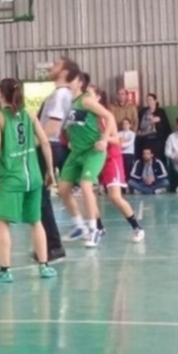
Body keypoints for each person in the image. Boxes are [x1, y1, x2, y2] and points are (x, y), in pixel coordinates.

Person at [0, 78, 57, 283]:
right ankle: (44, 266)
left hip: (12, 178)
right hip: (34, 177)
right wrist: (50, 171)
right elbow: (45, 142)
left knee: (2, 221)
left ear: (0, 94)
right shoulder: (30, 114)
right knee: (35, 221)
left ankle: (5, 270)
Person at [59, 72, 114, 249]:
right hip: (76, 152)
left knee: (85, 186)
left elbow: (110, 117)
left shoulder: (86, 100)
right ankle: (79, 226)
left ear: (80, 83)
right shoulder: (69, 103)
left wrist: (105, 140)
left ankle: (94, 229)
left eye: (72, 79)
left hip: (93, 151)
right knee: (63, 189)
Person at [36, 57, 82, 262]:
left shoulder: (61, 95)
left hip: (48, 145)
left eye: (55, 64)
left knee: (40, 197)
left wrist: (32, 145)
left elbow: (52, 127)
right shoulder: (58, 94)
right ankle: (47, 244)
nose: (51, 67)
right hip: (49, 145)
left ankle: (54, 245)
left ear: (64, 72)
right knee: (39, 197)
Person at [90, 87, 144, 243]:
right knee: (89, 192)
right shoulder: (88, 117)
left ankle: (137, 227)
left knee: (114, 196)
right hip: (94, 157)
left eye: (90, 93)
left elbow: (117, 140)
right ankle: (99, 227)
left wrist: (104, 140)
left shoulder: (107, 116)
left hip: (111, 158)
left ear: (98, 97)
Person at [135, 94, 170, 161]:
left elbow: (165, 126)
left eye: (150, 99)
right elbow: (140, 125)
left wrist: (157, 121)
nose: (149, 101)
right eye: (147, 100)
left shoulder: (161, 112)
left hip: (158, 137)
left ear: (155, 101)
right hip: (145, 137)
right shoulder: (143, 112)